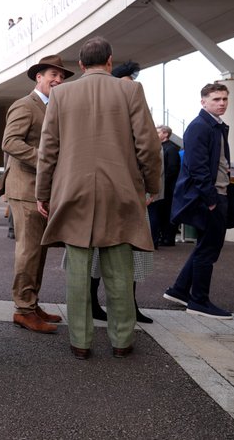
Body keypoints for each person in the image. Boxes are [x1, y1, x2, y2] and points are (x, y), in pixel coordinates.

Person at [36, 37, 161, 360]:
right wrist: (152, 186)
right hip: (120, 190)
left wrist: (43, 193)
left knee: (78, 272)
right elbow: (147, 145)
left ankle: (81, 340)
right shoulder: (130, 90)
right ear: (109, 60)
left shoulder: (61, 94)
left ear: (80, 65)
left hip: (72, 190)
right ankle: (121, 340)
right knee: (119, 271)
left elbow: (48, 150)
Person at [163, 83, 234, 319]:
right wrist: (211, 201)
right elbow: (197, 167)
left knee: (204, 247)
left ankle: (179, 290)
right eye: (216, 99)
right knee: (208, 250)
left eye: (224, 99)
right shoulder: (201, 127)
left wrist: (231, 176)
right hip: (209, 198)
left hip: (215, 195)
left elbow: (213, 164)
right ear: (203, 102)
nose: (221, 103)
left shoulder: (215, 126)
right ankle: (199, 301)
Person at [2, 54, 73, 334]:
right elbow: (10, 142)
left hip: (41, 190)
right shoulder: (25, 105)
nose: (58, 80)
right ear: (38, 77)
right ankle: (23, 310)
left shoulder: (54, 106)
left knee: (39, 252)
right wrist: (45, 159)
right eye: (52, 75)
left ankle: (31, 304)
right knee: (29, 252)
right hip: (25, 189)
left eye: (62, 76)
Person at [86, 60, 155, 325]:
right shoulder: (108, 113)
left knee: (132, 253)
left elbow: (147, 150)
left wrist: (150, 187)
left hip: (126, 191)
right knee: (95, 253)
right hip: (112, 190)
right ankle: (95, 304)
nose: (131, 90)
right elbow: (148, 149)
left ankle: (128, 306)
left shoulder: (129, 110)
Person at [152, 125, 181, 246]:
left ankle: (168, 238)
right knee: (161, 213)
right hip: (164, 187)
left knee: (167, 213)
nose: (156, 134)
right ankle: (162, 236)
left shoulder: (171, 149)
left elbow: (172, 169)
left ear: (165, 134)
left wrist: (162, 183)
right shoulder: (161, 147)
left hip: (168, 188)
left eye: (158, 132)